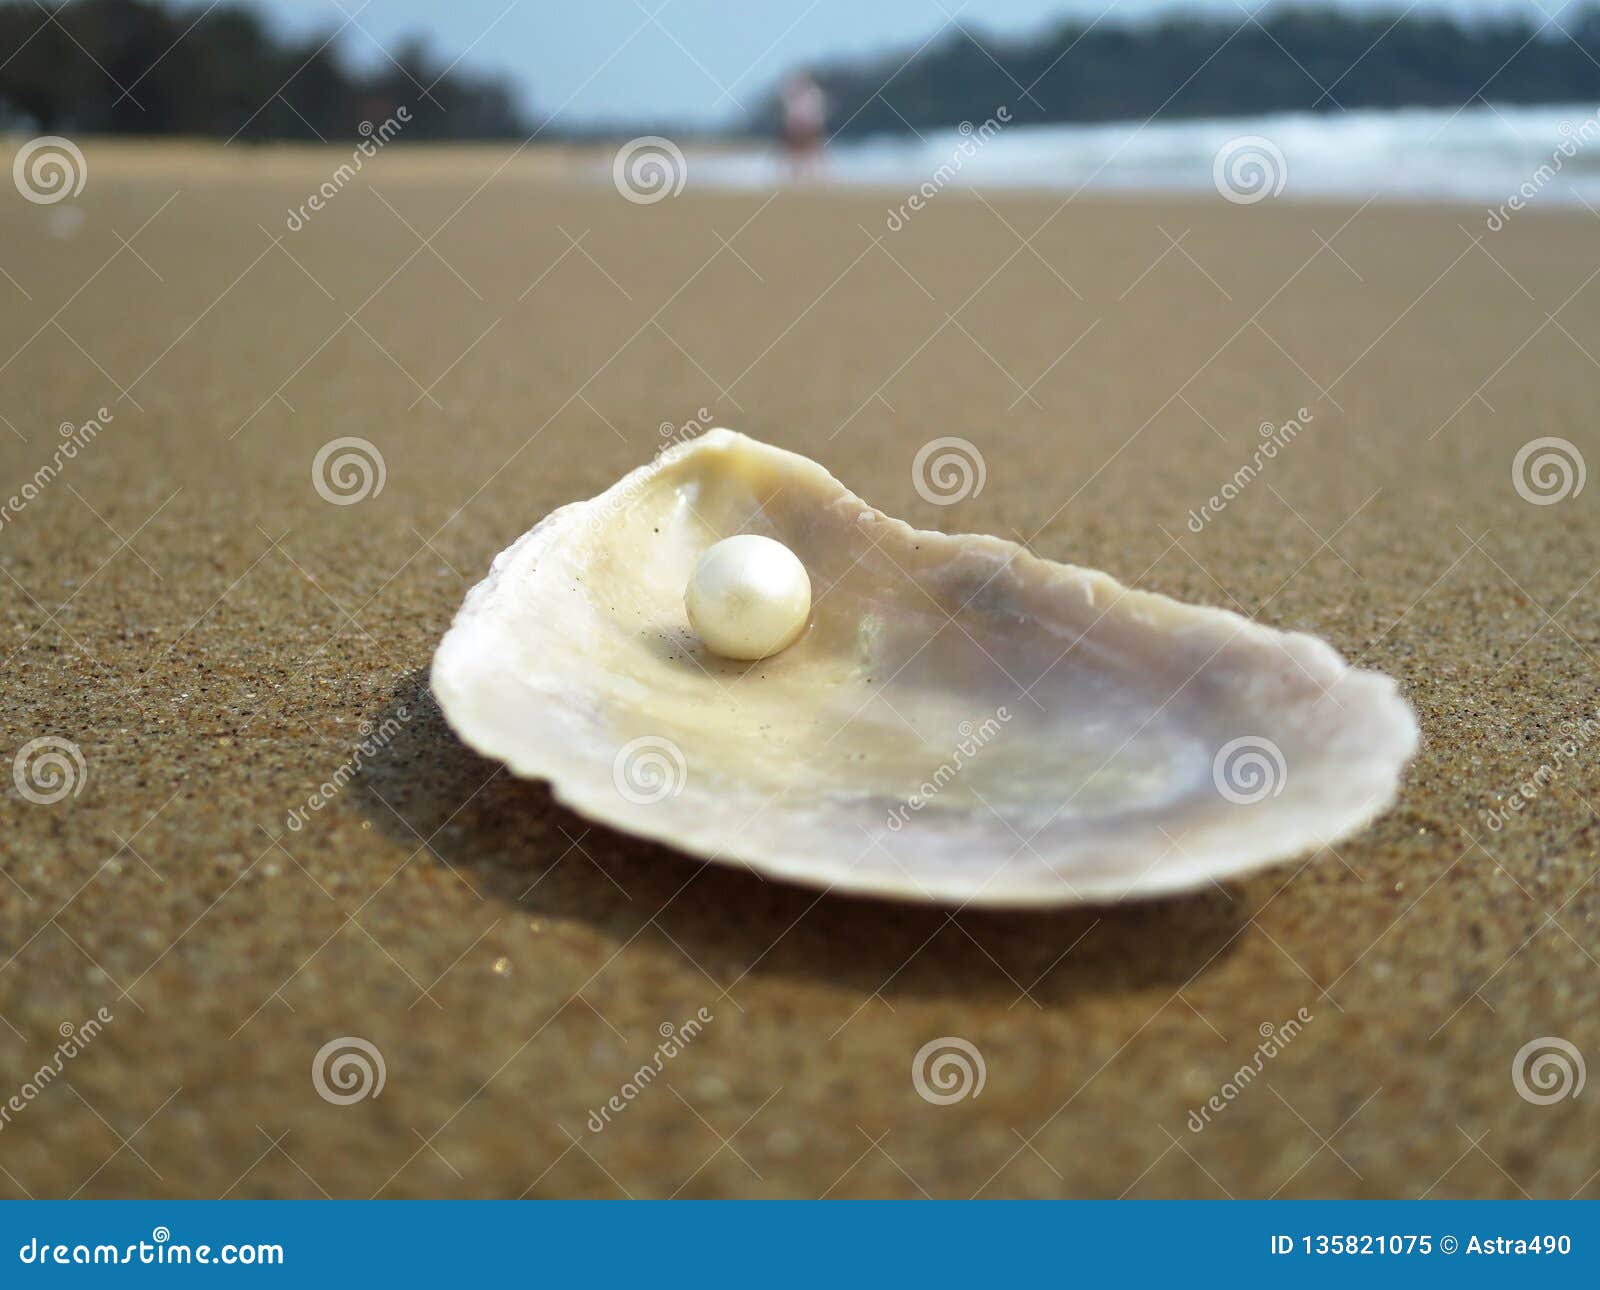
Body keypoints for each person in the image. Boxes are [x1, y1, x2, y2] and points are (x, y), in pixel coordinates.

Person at [782, 72, 827, 179]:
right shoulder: (795, 94)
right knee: (795, 152)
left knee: (813, 151)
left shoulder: (813, 93)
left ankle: (816, 175)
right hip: (799, 126)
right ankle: (797, 175)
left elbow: (815, 111)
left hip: (809, 126)